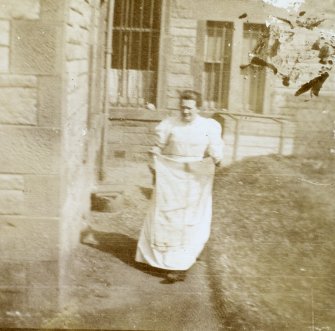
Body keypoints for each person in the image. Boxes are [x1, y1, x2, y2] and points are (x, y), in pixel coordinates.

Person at [135, 90, 224, 283]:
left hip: (195, 176)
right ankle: (154, 257)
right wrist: (153, 158)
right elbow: (158, 146)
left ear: (198, 108)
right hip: (171, 175)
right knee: (166, 216)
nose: (185, 112)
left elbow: (215, 151)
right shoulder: (170, 124)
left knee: (189, 219)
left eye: (189, 108)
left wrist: (216, 159)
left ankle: (180, 264)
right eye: (182, 107)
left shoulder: (208, 126)